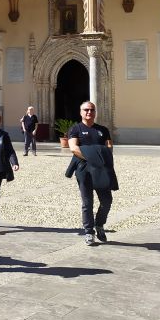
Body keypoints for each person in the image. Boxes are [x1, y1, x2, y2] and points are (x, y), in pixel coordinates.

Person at [66, 101, 118, 246]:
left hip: (101, 169)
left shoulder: (103, 130)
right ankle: (89, 232)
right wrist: (94, 157)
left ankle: (99, 224)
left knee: (107, 201)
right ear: (81, 112)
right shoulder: (75, 129)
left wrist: (101, 159)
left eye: (92, 110)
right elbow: (74, 148)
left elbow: (109, 147)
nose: (89, 112)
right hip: (84, 169)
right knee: (87, 203)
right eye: (86, 110)